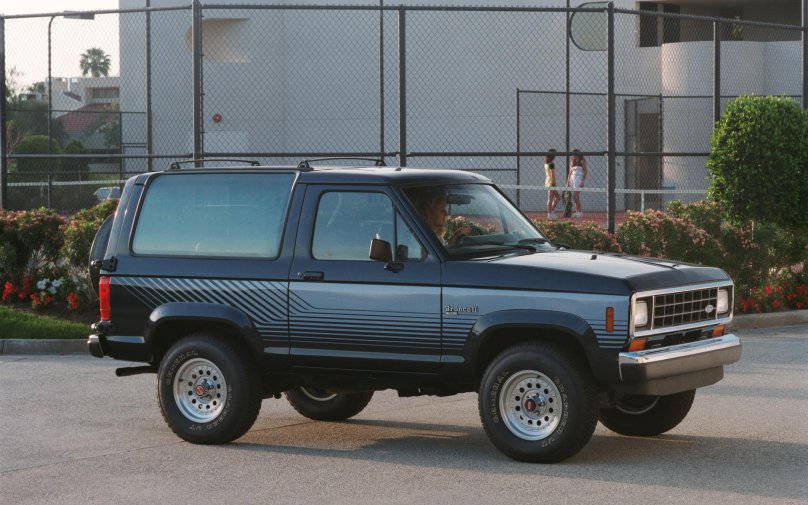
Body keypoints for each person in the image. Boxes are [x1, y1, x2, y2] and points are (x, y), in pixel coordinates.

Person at [568, 149, 587, 218]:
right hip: (572, 179)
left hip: (579, 179)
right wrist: (568, 181)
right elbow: (570, 172)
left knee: (575, 196)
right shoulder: (572, 161)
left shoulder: (582, 161)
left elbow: (585, 171)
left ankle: (580, 212)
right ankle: (577, 212)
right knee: (576, 197)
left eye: (574, 154)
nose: (573, 155)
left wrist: (582, 181)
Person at [544, 148, 561, 219]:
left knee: (558, 197)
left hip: (548, 182)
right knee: (550, 198)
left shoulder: (546, 163)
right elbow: (552, 174)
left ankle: (551, 210)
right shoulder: (551, 164)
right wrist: (553, 183)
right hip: (551, 182)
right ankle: (550, 214)